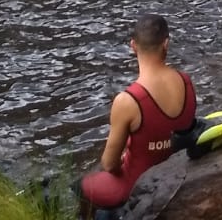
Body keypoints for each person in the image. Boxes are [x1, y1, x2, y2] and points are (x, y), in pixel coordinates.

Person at [78, 14, 196, 217]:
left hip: (137, 185)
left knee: (79, 186)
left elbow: (109, 164)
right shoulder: (186, 82)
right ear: (166, 43)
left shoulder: (128, 100)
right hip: (175, 175)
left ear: (133, 46)